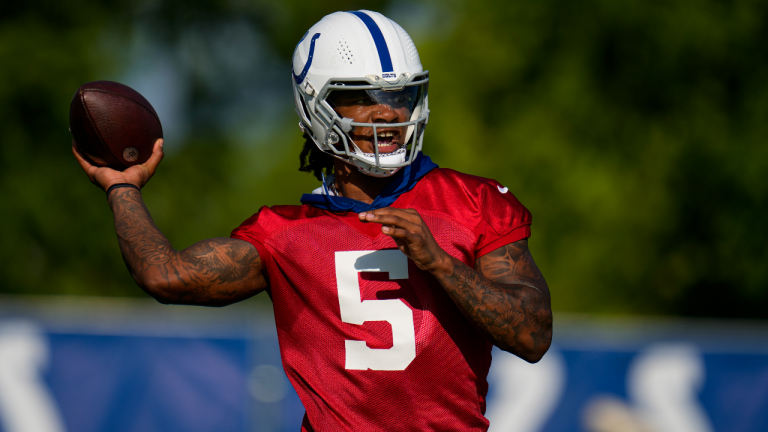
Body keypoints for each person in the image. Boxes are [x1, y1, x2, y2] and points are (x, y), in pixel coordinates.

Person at [73, 10, 552, 432]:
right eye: (362, 97)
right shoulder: (284, 236)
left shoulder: (474, 201)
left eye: (401, 96)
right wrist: (122, 189)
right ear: (317, 107)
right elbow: (165, 275)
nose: (387, 112)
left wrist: (444, 265)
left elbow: (533, 336)